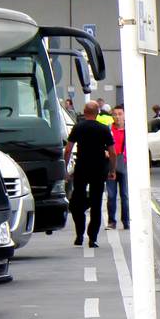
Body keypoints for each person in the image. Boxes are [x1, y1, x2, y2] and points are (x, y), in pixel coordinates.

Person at [64, 101, 115, 248]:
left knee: (77, 202)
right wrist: (112, 170)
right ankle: (93, 238)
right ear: (98, 113)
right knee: (96, 203)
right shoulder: (104, 129)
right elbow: (112, 152)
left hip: (82, 168)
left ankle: (79, 235)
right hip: (99, 169)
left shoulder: (78, 127)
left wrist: (65, 169)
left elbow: (68, 150)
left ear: (85, 112)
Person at [106, 105, 130, 231]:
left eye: (120, 114)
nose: (117, 117)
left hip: (125, 165)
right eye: (115, 114)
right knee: (111, 195)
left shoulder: (129, 131)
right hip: (111, 165)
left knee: (125, 195)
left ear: (125, 115)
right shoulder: (108, 130)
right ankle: (111, 221)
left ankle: (126, 221)